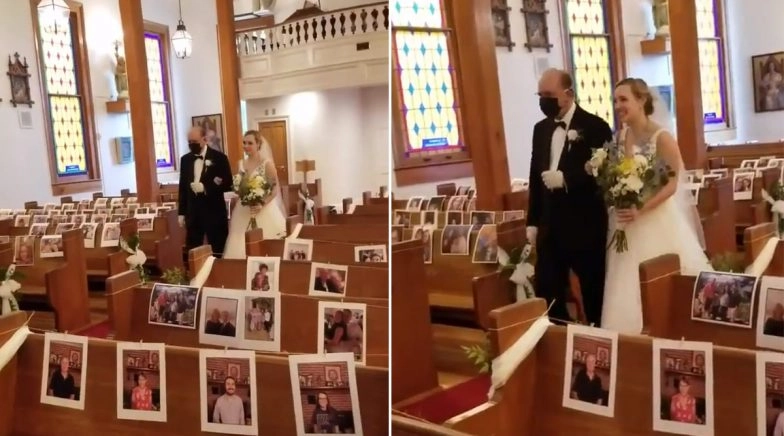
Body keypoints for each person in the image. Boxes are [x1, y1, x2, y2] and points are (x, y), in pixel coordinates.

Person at [599, 78, 712, 333]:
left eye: (624, 99)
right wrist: (619, 197)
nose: (618, 105)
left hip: (656, 217)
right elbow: (623, 175)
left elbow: (671, 186)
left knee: (663, 278)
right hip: (628, 220)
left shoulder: (663, 138)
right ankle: (629, 336)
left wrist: (642, 208)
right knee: (624, 280)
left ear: (641, 101)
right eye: (616, 100)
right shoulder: (623, 135)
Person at [526, 68, 612, 326]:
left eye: (549, 94)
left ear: (569, 94)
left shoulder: (595, 127)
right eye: (540, 95)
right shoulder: (540, 129)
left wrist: (566, 179)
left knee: (593, 290)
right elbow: (534, 176)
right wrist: (532, 221)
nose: (544, 100)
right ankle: (559, 341)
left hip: (584, 224)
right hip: (551, 226)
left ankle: (598, 341)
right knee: (548, 290)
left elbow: (604, 172)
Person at [223, 130, 287, 259]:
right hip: (244, 209)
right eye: (244, 143)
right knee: (240, 243)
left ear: (258, 144)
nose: (246, 146)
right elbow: (238, 187)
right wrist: (241, 191)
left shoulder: (266, 164)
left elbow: (274, 190)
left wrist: (261, 203)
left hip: (263, 208)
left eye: (250, 143)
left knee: (268, 245)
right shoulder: (240, 164)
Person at [178, 126, 233, 258]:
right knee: (193, 251)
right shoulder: (185, 160)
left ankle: (219, 276)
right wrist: (181, 212)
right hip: (193, 213)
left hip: (213, 212)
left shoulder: (219, 158)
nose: (192, 145)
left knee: (217, 248)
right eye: (189, 142)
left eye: (195, 142)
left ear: (205, 139)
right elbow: (183, 187)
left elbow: (227, 183)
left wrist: (205, 187)